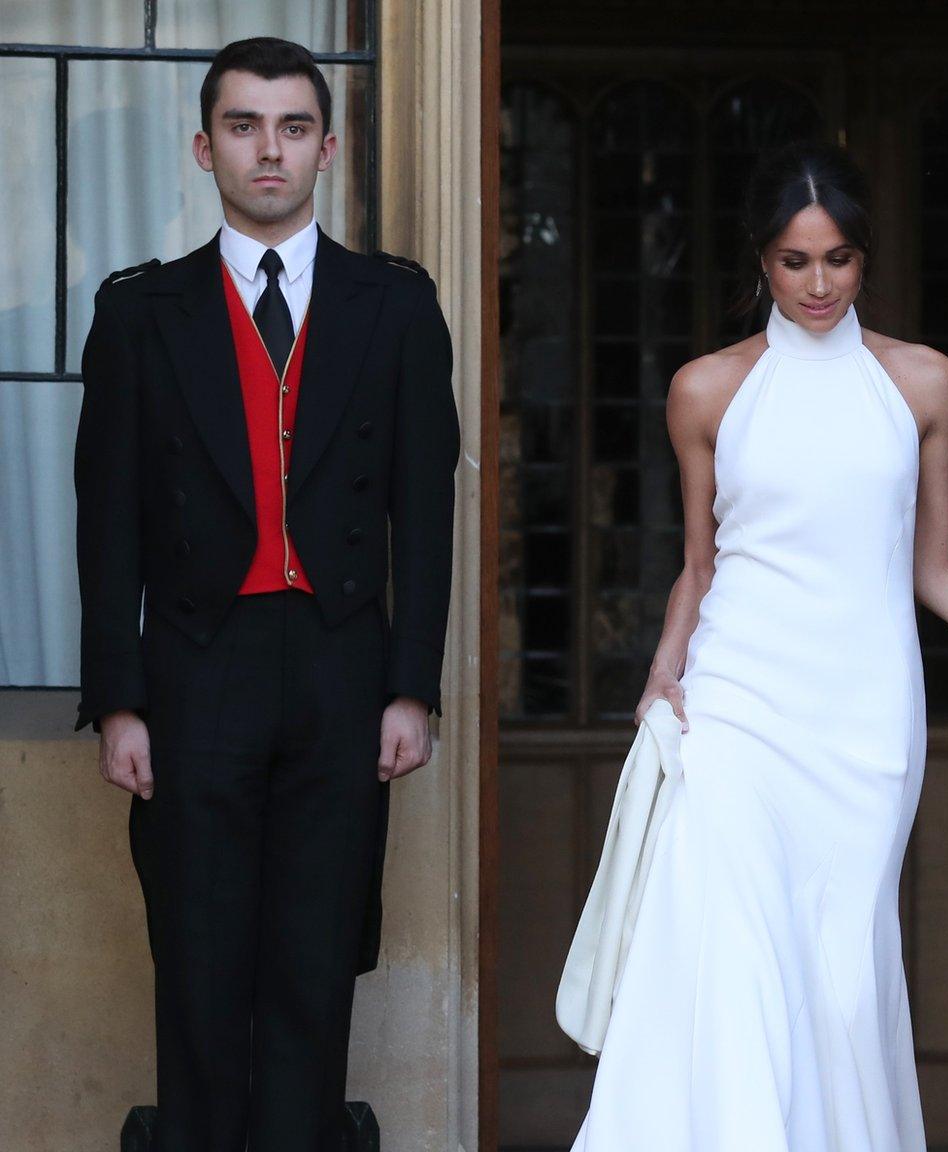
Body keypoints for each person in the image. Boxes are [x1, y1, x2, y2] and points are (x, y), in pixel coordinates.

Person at [568, 142, 948, 1150]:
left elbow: (933, 568)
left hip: (862, 724)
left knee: (845, 981)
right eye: (794, 261)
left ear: (865, 260)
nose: (818, 284)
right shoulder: (705, 391)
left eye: (839, 259)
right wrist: (664, 667)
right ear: (759, 263)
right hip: (735, 711)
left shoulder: (922, 384)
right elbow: (699, 564)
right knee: (731, 960)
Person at [73, 36, 459, 1152]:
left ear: (327, 148)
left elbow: (422, 517)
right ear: (205, 148)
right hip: (197, 668)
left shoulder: (394, 308)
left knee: (311, 956)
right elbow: (106, 524)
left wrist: (410, 689)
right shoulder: (142, 315)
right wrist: (122, 699)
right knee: (195, 958)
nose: (269, 149)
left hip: (342, 671)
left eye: (292, 127)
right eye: (244, 126)